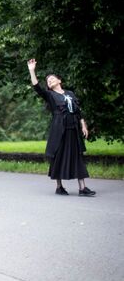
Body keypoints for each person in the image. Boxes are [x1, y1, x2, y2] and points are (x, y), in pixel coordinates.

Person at [27, 59, 95, 196]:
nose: (49, 81)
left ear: (59, 80)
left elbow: (77, 111)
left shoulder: (70, 94)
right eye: (48, 81)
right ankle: (59, 187)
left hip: (73, 129)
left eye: (52, 79)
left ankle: (82, 188)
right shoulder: (50, 95)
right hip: (59, 130)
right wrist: (32, 70)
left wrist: (83, 125)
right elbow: (37, 88)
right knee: (58, 156)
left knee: (77, 156)